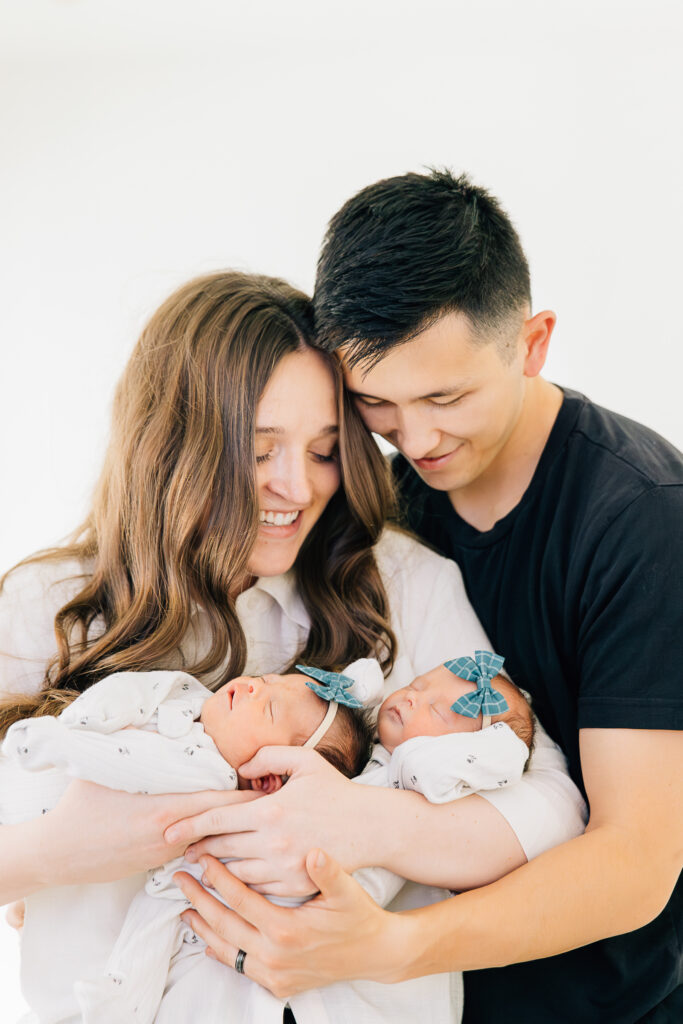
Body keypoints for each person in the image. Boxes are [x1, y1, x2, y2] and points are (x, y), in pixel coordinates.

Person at [0, 270, 585, 1024]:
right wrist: (60, 851)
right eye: (260, 448)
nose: (297, 487)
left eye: (322, 450)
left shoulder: (400, 584)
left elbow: (550, 806)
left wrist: (359, 824)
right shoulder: (48, 605)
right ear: (173, 444)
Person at [169, 173, 682, 1023]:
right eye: (376, 404)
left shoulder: (641, 521)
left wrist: (388, 948)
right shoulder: (381, 502)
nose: (416, 439)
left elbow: (637, 858)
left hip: (596, 1006)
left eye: (446, 397)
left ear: (532, 342)